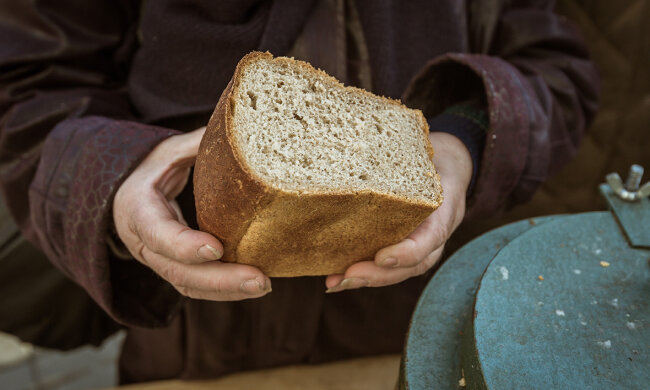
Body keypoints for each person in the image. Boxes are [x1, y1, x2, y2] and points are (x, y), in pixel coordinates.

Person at [0, 0, 598, 384]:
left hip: (416, 317)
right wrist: (116, 176)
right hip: (196, 343)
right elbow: (28, 91)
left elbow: (558, 66)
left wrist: (466, 136)